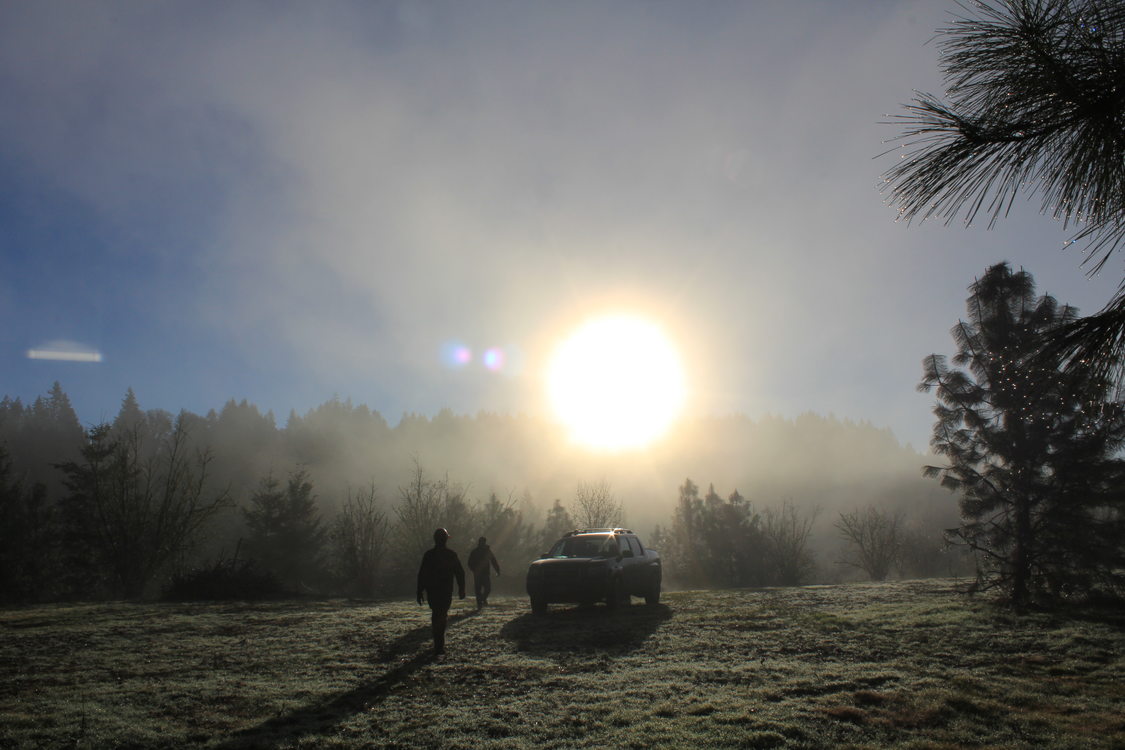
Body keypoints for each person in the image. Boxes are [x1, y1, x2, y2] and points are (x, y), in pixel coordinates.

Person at [416, 527, 465, 655]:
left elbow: (422, 574)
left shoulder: (429, 555)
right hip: (445, 591)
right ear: (445, 540)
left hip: (432, 591)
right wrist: (462, 588)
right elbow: (460, 573)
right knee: (441, 614)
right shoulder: (451, 555)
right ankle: (439, 644)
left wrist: (419, 591)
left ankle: (438, 643)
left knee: (437, 614)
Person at [467, 536, 501, 609]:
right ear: (479, 542)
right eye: (481, 542)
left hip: (485, 573)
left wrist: (497, 570)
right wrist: (474, 570)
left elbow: (493, 561)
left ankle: (482, 599)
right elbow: (469, 562)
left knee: (487, 589)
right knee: (478, 589)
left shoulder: (487, 551)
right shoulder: (475, 552)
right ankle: (480, 604)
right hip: (478, 574)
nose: (482, 543)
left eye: (483, 542)